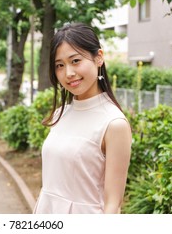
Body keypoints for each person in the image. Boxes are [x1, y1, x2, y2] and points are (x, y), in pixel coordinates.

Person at [33, 23, 132, 214]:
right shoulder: (60, 113)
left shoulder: (114, 124)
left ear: (99, 58)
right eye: (60, 65)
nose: (68, 73)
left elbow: (113, 204)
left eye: (76, 61)